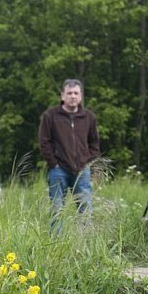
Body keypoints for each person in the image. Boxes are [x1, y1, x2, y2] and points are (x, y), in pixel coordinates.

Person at [38, 79, 100, 229]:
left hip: (82, 171)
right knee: (57, 209)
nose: (73, 96)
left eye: (76, 93)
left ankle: (86, 242)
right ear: (62, 96)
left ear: (81, 96)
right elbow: (44, 142)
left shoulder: (89, 117)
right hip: (58, 170)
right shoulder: (50, 116)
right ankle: (56, 243)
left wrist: (87, 162)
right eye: (69, 93)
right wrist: (54, 163)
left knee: (85, 208)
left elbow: (95, 143)